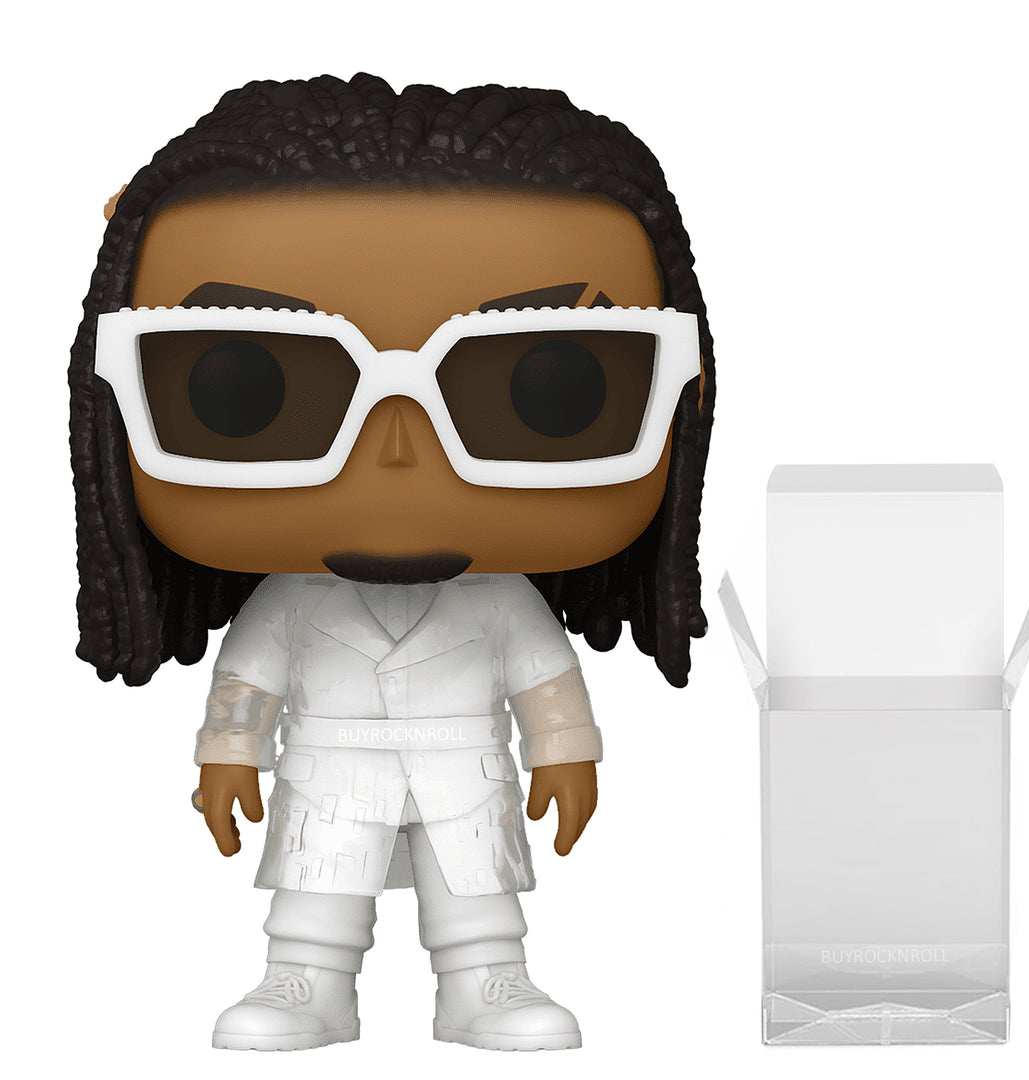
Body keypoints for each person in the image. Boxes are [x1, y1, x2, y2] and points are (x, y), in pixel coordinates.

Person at [69, 73, 714, 1052]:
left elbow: (544, 681)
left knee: (476, 886)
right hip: (331, 766)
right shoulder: (291, 604)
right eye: (245, 388)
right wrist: (228, 755)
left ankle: (487, 983)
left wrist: (567, 750)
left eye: (553, 389)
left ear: (685, 393)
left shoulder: (500, 603)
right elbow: (246, 685)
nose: (399, 459)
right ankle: (305, 983)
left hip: (465, 766)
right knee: (316, 884)